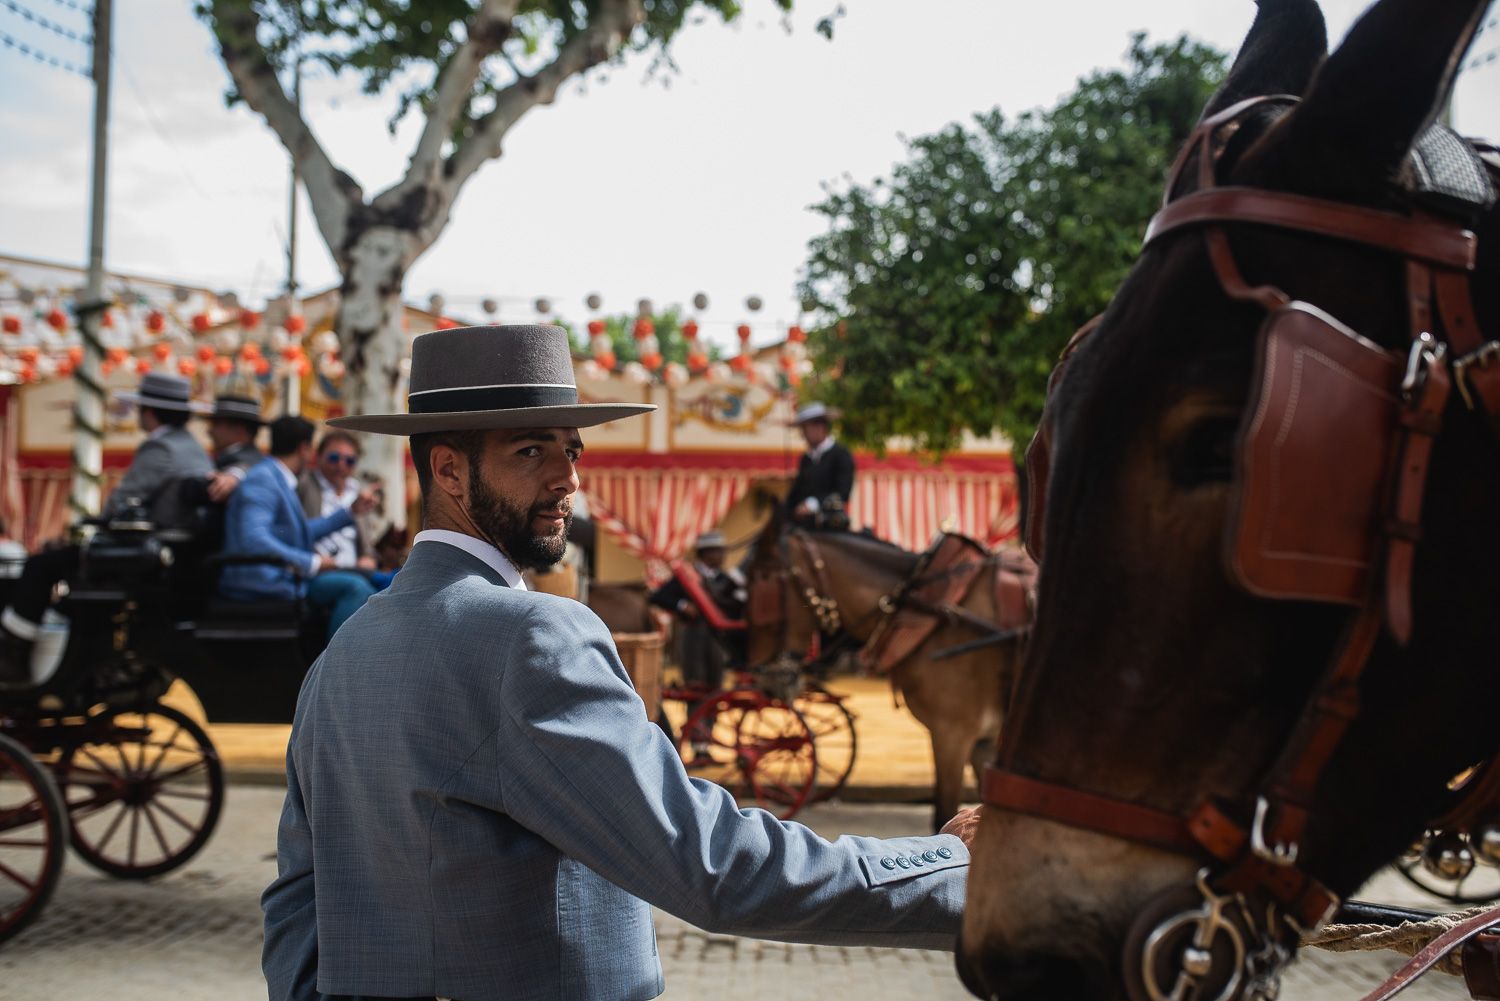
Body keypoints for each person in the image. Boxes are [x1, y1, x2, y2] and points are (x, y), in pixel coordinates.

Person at [262, 324, 976, 1001]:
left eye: (571, 451)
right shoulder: (535, 635)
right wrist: (954, 867)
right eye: (530, 452)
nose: (567, 478)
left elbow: (297, 902)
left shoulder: (345, 647)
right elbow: (709, 862)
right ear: (448, 469)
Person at [0, 372, 213, 683]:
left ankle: (14, 654)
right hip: (169, 551)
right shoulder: (193, 447)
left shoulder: (160, 448)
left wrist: (91, 527)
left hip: (142, 555)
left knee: (40, 565)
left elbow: (120, 503)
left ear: (149, 412)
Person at [218, 417, 379, 642]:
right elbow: (254, 539)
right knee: (357, 588)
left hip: (282, 576)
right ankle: (337, 661)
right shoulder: (264, 479)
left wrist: (349, 513)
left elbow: (297, 532)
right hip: (264, 582)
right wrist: (311, 562)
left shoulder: (277, 478)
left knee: (379, 581)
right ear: (304, 449)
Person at [296, 430, 376, 573]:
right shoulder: (304, 484)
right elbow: (297, 532)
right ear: (318, 457)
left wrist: (368, 558)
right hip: (318, 570)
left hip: (355, 569)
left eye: (349, 461)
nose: (341, 465)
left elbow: (366, 545)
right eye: (334, 458)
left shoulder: (357, 491)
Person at [784, 401, 855, 529]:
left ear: (820, 427)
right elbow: (798, 491)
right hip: (802, 525)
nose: (803, 435)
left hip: (830, 524)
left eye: (805, 429)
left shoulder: (841, 454)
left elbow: (842, 492)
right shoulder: (806, 459)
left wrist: (812, 504)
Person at [205, 394, 265, 503]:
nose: (209, 431)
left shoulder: (250, 459)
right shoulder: (226, 455)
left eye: (216, 424)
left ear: (239, 430)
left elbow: (247, 466)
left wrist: (233, 476)